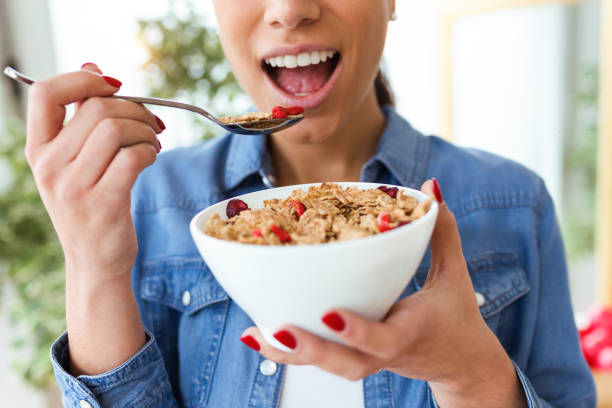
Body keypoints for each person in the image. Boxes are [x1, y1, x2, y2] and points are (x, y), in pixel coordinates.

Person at [24, 1, 595, 407]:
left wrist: (470, 376)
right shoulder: (146, 200)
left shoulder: (516, 205)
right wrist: (93, 266)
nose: (290, 9)